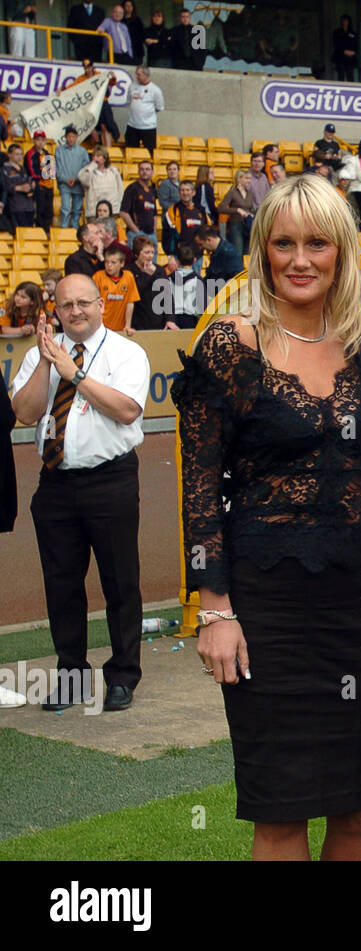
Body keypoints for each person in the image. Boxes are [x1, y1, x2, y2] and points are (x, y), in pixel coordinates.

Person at [172, 174, 361, 860]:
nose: (301, 258)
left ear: (341, 251)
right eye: (285, 243)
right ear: (264, 251)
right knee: (279, 816)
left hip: (359, 600)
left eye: (317, 242)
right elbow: (199, 490)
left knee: (360, 810)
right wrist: (214, 609)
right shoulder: (231, 343)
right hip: (266, 605)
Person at [11, 273, 148, 712]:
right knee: (62, 586)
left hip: (111, 481)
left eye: (84, 303)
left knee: (120, 582)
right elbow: (24, 412)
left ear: (100, 304)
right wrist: (51, 364)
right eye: (67, 305)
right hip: (55, 484)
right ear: (56, 309)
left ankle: (123, 675)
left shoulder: (127, 352)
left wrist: (77, 373)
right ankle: (71, 677)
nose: (76, 312)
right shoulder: (41, 356)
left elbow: (127, 410)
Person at [92, 245, 139, 333]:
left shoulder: (128, 277)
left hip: (120, 329)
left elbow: (130, 302)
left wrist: (127, 325)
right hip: (101, 327)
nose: (109, 265)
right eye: (106, 262)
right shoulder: (98, 277)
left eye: (113, 262)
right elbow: (93, 304)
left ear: (122, 263)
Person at [55, 126, 90, 230]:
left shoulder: (83, 151)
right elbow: (56, 168)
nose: (71, 139)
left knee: (77, 209)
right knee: (65, 207)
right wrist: (65, 179)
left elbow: (86, 168)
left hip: (78, 184)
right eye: (69, 136)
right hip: (64, 184)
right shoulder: (59, 150)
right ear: (65, 137)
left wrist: (76, 179)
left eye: (73, 136)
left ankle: (75, 228)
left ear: (76, 137)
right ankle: (64, 227)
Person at [76, 146, 123, 216]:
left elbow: (120, 189)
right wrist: (91, 167)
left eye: (98, 156)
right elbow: (85, 182)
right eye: (94, 156)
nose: (95, 158)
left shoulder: (114, 171)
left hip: (111, 210)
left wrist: (118, 206)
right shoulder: (87, 170)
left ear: (104, 158)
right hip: (93, 211)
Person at [331, 14, 359, 82]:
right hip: (340, 57)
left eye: (346, 21)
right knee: (341, 75)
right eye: (343, 21)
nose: (344, 22)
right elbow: (336, 44)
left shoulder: (352, 33)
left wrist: (353, 52)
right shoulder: (337, 32)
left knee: (350, 75)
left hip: (350, 58)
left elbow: (356, 44)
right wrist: (344, 51)